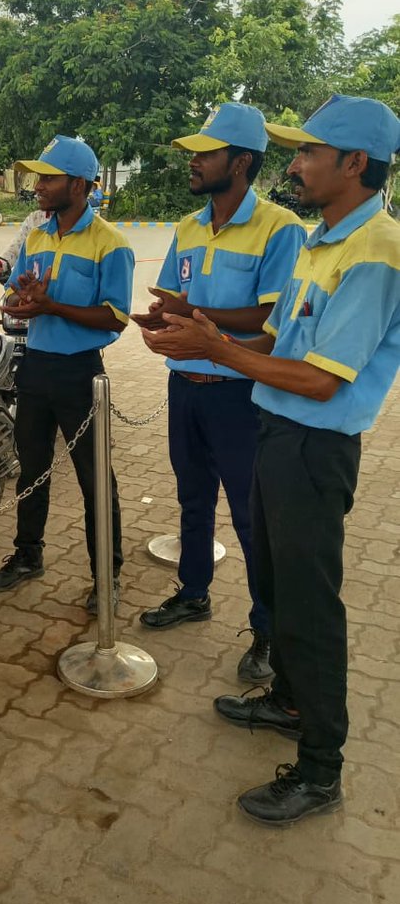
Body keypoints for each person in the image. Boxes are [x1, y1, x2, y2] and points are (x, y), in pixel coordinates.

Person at [141, 94, 400, 825]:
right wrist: (194, 333)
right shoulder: (324, 240)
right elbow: (280, 345)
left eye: (311, 152)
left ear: (355, 164)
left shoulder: (376, 251)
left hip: (316, 448)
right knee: (282, 584)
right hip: (276, 431)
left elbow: (322, 377)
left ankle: (321, 770)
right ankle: (288, 699)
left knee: (312, 608)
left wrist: (216, 348)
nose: (299, 163)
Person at [132, 103, 305, 683]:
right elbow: (181, 300)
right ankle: (194, 592)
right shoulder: (187, 225)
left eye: (206, 153)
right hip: (185, 387)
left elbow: (269, 315)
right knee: (192, 498)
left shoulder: (279, 229)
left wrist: (197, 317)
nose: (195, 162)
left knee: (253, 518)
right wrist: (164, 315)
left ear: (242, 161)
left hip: (241, 396)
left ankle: (267, 631)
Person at [0, 135, 134, 611]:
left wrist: (53, 306)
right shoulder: (36, 236)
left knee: (94, 477)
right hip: (36, 367)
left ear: (79, 184)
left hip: (82, 375)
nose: (38, 186)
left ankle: (106, 576)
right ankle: (27, 555)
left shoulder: (111, 244)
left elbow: (115, 317)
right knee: (32, 468)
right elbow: (12, 301)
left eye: (48, 178)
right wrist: (25, 298)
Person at [0, 207, 49, 284]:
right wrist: (0, 265)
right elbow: (16, 248)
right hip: (32, 287)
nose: (38, 195)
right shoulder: (35, 219)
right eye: (36, 194)